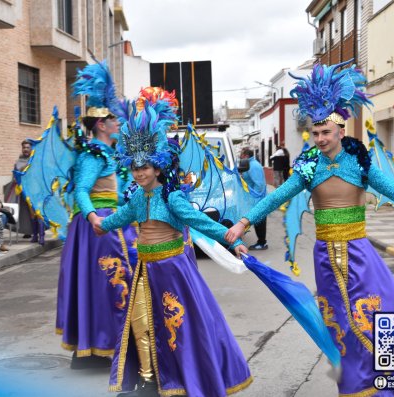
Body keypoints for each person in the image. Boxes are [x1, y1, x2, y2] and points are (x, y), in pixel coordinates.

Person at [226, 61, 394, 396]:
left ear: (341, 131)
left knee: (390, 308)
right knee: (340, 323)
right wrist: (244, 221)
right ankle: (359, 385)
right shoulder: (309, 166)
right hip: (325, 257)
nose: (320, 138)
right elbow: (278, 196)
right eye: (315, 133)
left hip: (360, 253)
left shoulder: (359, 163)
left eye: (326, 132)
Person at [96, 100, 251, 397]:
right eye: (134, 168)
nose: (139, 173)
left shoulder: (173, 199)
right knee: (141, 325)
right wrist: (97, 221)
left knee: (177, 329)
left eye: (144, 168)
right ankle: (147, 378)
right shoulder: (139, 199)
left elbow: (202, 221)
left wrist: (235, 240)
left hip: (173, 271)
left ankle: (182, 379)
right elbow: (119, 217)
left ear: (157, 168)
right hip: (144, 271)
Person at [55, 62, 138, 370]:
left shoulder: (108, 153)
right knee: (112, 281)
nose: (117, 122)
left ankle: (102, 345)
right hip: (100, 228)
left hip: (109, 222)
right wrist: (94, 219)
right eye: (113, 118)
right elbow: (80, 190)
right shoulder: (93, 154)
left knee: (107, 283)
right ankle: (104, 345)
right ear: (101, 125)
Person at [9, 140, 39, 240]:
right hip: (23, 190)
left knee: (37, 212)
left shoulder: (36, 160)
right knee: (25, 213)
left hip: (35, 190)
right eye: (24, 147)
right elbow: (14, 176)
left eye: (27, 147)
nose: (25, 149)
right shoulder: (18, 162)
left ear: (31, 149)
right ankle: (28, 231)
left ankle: (38, 232)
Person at [238, 148, 268, 250]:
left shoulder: (253, 166)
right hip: (255, 198)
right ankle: (261, 242)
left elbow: (259, 184)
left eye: (241, 154)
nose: (240, 156)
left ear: (246, 155)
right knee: (257, 220)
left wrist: (255, 199)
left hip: (257, 199)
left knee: (259, 221)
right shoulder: (249, 164)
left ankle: (262, 243)